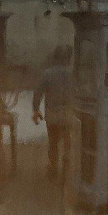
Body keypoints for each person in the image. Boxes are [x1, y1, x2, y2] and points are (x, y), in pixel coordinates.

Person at [33, 45, 74, 181]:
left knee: (53, 142)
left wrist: (35, 109)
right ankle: (66, 170)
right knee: (67, 142)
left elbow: (38, 93)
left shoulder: (47, 74)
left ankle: (54, 169)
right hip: (68, 114)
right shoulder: (73, 73)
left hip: (52, 115)